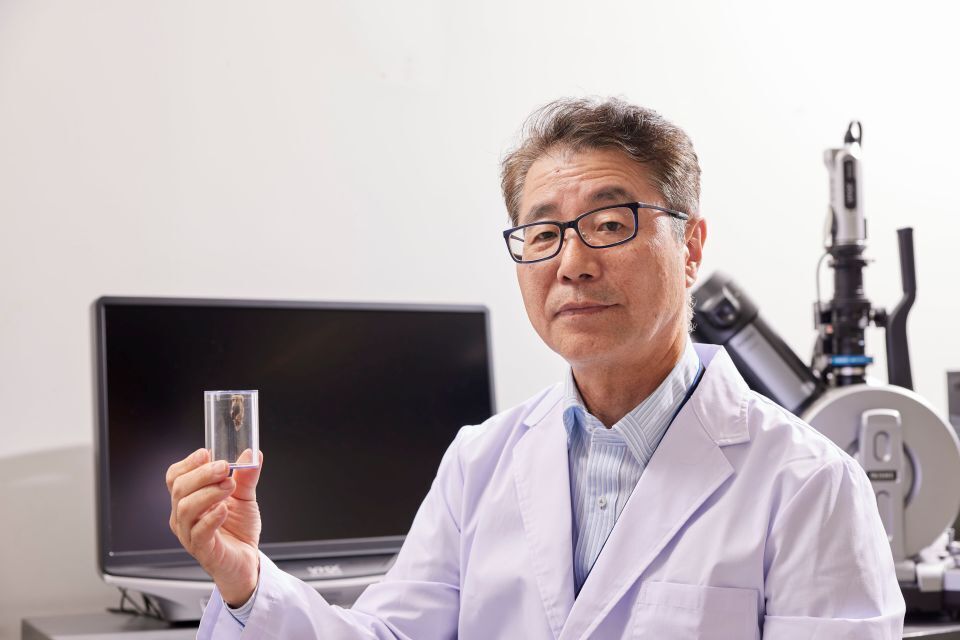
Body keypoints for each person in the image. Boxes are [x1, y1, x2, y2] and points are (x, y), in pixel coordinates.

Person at [166, 97, 905, 639]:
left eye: (611, 225)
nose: (573, 264)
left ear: (692, 246)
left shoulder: (807, 484)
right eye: (543, 233)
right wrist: (246, 581)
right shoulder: (480, 461)